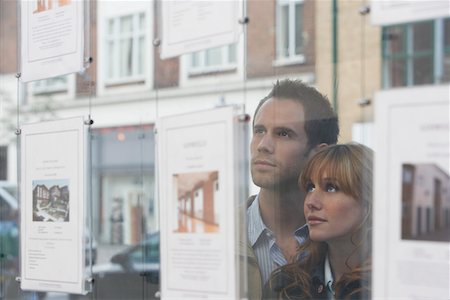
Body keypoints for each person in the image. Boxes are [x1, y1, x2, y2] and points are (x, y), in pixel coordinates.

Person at [241, 79, 339, 299]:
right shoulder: (220, 235)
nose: (262, 145)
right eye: (259, 131)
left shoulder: (345, 240)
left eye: (283, 133)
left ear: (319, 154)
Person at [264, 143, 373, 299]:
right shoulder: (286, 286)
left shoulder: (396, 285)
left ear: (368, 201)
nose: (311, 202)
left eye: (331, 188)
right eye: (310, 187)